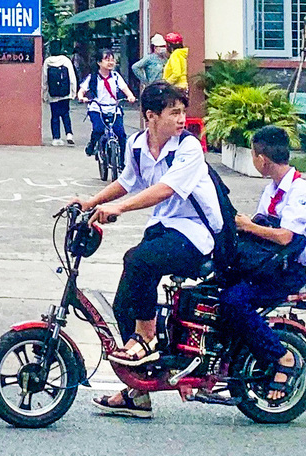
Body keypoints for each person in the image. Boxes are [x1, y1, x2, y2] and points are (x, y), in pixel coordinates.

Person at [74, 81, 222, 418]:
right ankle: (137, 391)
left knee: (138, 261)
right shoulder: (139, 145)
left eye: (183, 111)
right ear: (150, 116)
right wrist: (92, 201)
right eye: (174, 113)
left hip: (197, 234)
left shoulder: (188, 148)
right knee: (123, 302)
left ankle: (148, 339)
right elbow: (129, 180)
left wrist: (120, 209)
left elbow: (166, 190)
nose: (182, 119)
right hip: (165, 229)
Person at [220, 125, 306, 402]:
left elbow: (284, 237)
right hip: (267, 264)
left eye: (255, 155)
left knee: (234, 301)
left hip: (286, 271)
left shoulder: (299, 192)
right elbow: (260, 224)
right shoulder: (273, 189)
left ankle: (282, 358)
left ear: (262, 159)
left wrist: (249, 226)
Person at [77, 49, 136, 157]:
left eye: (112, 60)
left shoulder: (116, 76)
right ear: (99, 62)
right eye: (107, 59)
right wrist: (82, 98)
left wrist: (130, 96)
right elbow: (81, 91)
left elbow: (125, 89)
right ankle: (92, 145)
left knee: (121, 134)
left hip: (114, 108)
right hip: (97, 108)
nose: (110, 62)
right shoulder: (92, 77)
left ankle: (122, 162)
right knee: (98, 129)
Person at [42, 40, 77, 146]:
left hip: (53, 94)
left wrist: (44, 94)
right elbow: (72, 77)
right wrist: (73, 92)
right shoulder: (65, 60)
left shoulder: (47, 62)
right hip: (65, 93)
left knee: (55, 115)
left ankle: (56, 138)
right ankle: (69, 134)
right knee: (66, 114)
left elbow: (44, 79)